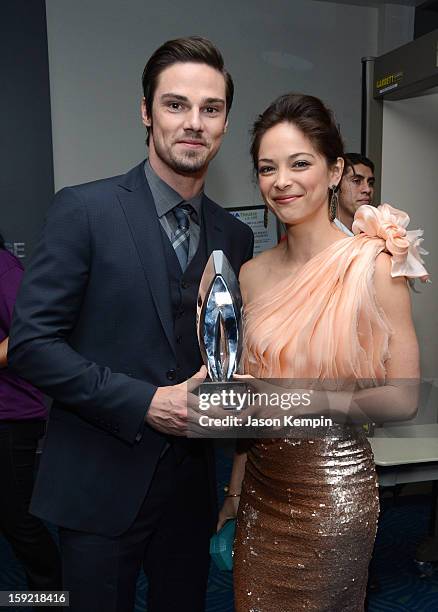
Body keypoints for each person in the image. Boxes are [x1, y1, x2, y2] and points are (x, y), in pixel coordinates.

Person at [8, 37, 253, 612]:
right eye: (175, 104)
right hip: (99, 483)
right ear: (146, 112)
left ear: (224, 123)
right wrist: (145, 401)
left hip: (191, 486)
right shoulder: (83, 210)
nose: (193, 123)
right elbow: (31, 345)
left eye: (210, 109)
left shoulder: (233, 236)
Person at [217, 94, 428, 611]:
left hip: (333, 491)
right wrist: (233, 493)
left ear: (335, 171)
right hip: (261, 493)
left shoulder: (374, 264)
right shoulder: (250, 273)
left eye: (299, 163)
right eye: (267, 168)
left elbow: (403, 401)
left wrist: (293, 401)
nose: (281, 181)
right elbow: (248, 404)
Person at [0, 233, 61, 593]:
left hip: (10, 417)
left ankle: (52, 595)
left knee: (17, 520)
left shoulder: (4, 267)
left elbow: (28, 332)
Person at [335, 152, 376, 235]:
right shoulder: (322, 234)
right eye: (356, 181)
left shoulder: (376, 233)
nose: (367, 189)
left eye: (370, 183)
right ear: (336, 184)